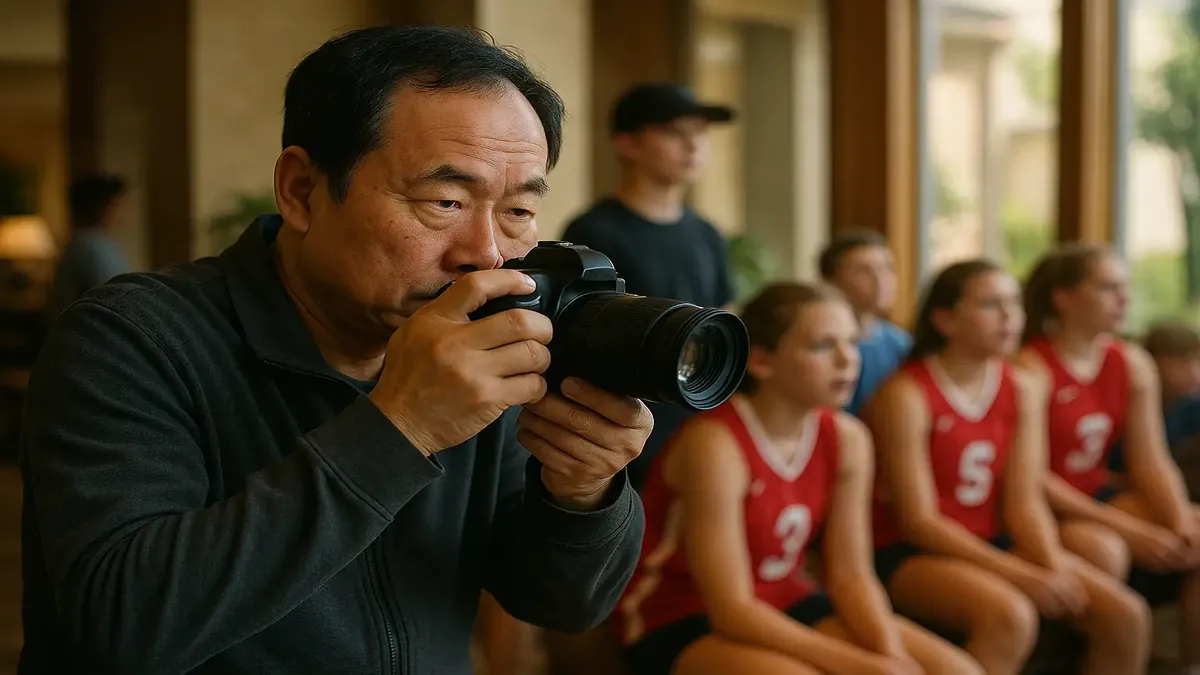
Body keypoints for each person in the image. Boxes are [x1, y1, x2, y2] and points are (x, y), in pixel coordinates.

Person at [18, 26, 650, 675]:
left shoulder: (485, 340)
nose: (486, 253)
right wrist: (401, 426)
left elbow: (562, 600)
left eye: (518, 211)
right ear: (300, 190)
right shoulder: (132, 337)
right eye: (446, 200)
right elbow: (118, 627)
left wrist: (581, 494)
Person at [614, 282, 983, 675]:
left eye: (851, 343)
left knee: (956, 670)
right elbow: (731, 608)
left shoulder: (847, 437)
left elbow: (852, 576)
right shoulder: (715, 445)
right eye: (823, 346)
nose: (847, 360)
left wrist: (891, 656)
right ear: (761, 362)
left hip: (785, 599)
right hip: (681, 613)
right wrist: (862, 665)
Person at [866, 259, 1151, 675]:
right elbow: (919, 521)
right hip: (912, 552)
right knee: (1008, 615)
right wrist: (1018, 572)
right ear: (945, 319)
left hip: (991, 537)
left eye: (1014, 304)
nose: (1009, 318)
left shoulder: (1021, 386)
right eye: (991, 305)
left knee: (1126, 615)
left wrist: (1051, 564)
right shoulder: (906, 394)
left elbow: (1023, 501)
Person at [1016, 243, 1200, 673]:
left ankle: (1189, 664)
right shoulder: (1031, 368)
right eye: (1109, 288)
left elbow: (1151, 460)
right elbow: (1034, 479)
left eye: (1125, 287)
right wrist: (1130, 530)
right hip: (1044, 507)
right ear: (1064, 297)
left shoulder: (1131, 361)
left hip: (1096, 495)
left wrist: (1176, 519)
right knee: (1107, 550)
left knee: (1195, 531)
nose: (1125, 299)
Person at [561, 82, 736, 491]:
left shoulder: (706, 233)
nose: (693, 146)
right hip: (627, 428)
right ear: (628, 144)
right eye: (676, 133)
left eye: (700, 135)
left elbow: (723, 318)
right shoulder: (594, 230)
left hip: (701, 418)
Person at [818, 229, 910, 416]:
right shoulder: (815, 344)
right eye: (864, 271)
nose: (880, 279)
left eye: (887, 268)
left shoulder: (901, 344)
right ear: (832, 281)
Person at [1109, 319, 1200, 499]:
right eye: (1181, 363)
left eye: (1197, 361)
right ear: (1151, 362)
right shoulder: (1123, 406)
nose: (1194, 372)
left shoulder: (1191, 405)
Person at [46, 173, 133, 317]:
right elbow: (116, 300)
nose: (122, 212)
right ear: (98, 208)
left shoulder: (82, 242)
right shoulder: (92, 246)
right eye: (115, 205)